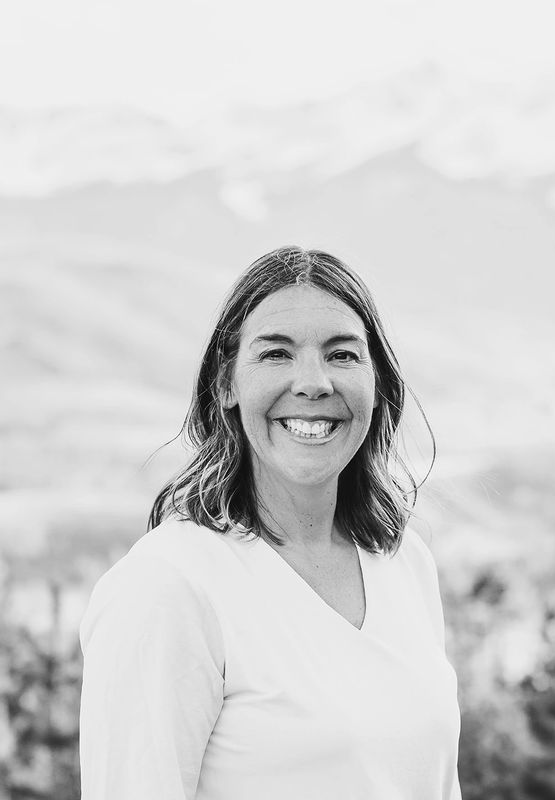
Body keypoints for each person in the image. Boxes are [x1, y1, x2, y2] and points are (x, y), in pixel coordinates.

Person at [78, 246, 462, 800]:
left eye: (343, 355)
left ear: (376, 384)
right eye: (277, 354)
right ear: (226, 385)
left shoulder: (404, 564)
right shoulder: (168, 587)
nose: (314, 383)